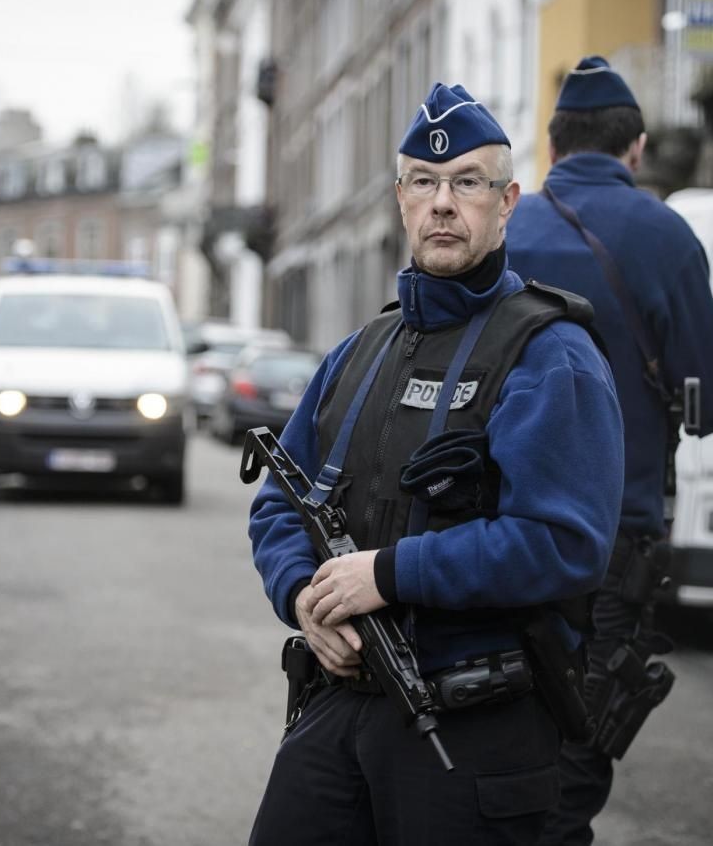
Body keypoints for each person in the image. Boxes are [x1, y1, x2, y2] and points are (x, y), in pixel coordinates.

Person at [245, 83, 625, 845]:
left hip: (472, 730)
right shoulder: (361, 351)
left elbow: (563, 545)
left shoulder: (551, 357)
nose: (443, 203)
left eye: (467, 183)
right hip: (338, 704)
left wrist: (386, 575)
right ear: (401, 200)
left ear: (507, 202)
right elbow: (278, 501)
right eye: (424, 182)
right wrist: (303, 600)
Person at [505, 55, 713, 845]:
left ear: (553, 146)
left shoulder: (510, 229)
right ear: (635, 149)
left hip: (490, 528)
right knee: (579, 742)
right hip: (611, 539)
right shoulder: (666, 236)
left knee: (482, 726)